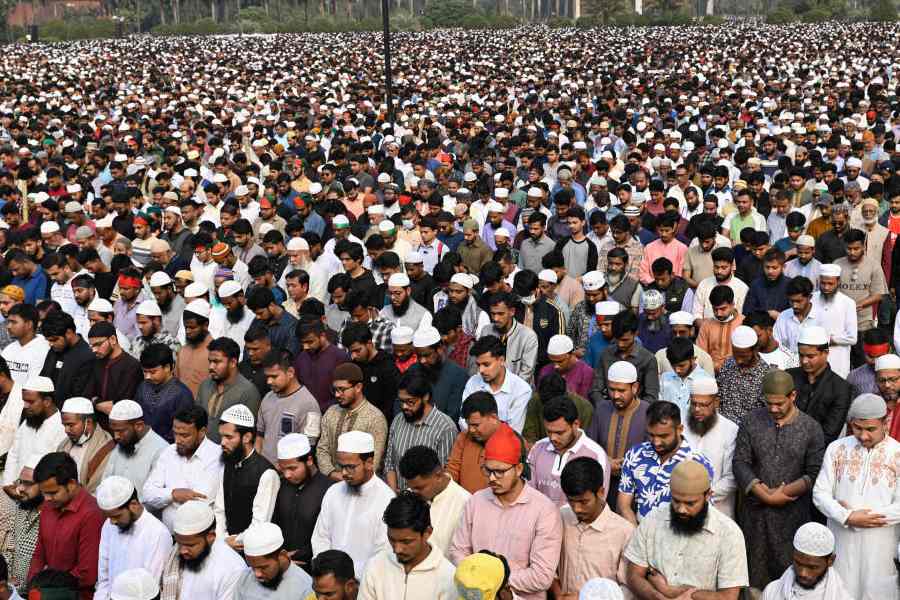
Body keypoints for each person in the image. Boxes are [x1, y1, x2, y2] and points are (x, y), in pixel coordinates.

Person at [733, 369, 825, 591]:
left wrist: (784, 494)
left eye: (779, 404)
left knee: (789, 577)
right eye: (769, 403)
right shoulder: (751, 421)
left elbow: (814, 473)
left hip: (792, 515)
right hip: (755, 515)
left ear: (792, 396)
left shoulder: (811, 427)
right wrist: (763, 493)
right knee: (753, 576)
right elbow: (740, 462)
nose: (773, 409)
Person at [449, 423, 563, 600]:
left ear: (518, 469)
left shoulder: (544, 511)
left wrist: (491, 581)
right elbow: (458, 551)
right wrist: (479, 582)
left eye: (500, 472)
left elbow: (542, 576)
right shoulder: (476, 502)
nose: (492, 478)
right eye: (488, 470)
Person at [813, 393, 900, 600]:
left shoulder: (897, 453)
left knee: (878, 592)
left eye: (870, 429)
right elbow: (819, 493)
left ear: (885, 422)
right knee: (839, 590)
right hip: (841, 541)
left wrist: (862, 518)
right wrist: (846, 516)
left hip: (881, 545)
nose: (863, 436)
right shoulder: (837, 449)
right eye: (857, 428)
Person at [624, 460, 749, 600]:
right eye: (676, 501)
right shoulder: (652, 521)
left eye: (690, 503)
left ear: (708, 495)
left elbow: (728, 597)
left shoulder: (729, 534)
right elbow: (634, 575)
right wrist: (657, 596)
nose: (681, 509)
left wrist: (670, 591)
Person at [311, 431, 395, 577]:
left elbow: (383, 552)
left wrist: (351, 580)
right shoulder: (333, 492)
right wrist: (327, 572)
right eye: (341, 466)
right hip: (329, 582)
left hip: (364, 585)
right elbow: (321, 537)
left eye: (350, 467)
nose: (343, 473)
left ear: (369, 462)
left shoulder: (386, 499)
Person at [616, 401, 713, 525]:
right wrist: (638, 535)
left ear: (680, 429)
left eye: (663, 436)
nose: (656, 442)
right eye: (651, 435)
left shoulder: (698, 463)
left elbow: (704, 512)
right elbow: (624, 505)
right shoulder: (635, 454)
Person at [553, 457, 634, 600]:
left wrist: (584, 597)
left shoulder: (624, 532)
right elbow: (548, 566)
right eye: (571, 501)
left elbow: (628, 589)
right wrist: (558, 593)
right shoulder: (560, 517)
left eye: (584, 502)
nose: (577, 509)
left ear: (601, 492)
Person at [28, 452, 105, 600]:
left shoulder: (91, 514)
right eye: (44, 493)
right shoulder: (48, 506)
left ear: (71, 484)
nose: (47, 499)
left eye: (53, 493)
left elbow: (86, 573)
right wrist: (34, 583)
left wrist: (49, 590)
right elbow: (39, 552)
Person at [358, 491, 457, 599]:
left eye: (406, 542)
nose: (397, 549)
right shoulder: (375, 566)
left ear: (427, 533)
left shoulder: (448, 577)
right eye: (392, 539)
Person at [142, 406, 224, 532]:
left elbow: (200, 503)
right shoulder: (169, 452)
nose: (178, 440)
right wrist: (173, 494)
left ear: (202, 432)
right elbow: (147, 494)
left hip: (198, 538)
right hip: (168, 535)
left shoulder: (216, 456)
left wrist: (163, 496)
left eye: (184, 435)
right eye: (175, 433)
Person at [94, 476, 173, 600]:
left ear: (133, 505)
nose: (112, 522)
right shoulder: (109, 525)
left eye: (117, 516)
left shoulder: (157, 533)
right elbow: (104, 580)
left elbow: (150, 587)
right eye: (109, 517)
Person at [214, 404, 279, 550]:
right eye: (221, 436)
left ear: (247, 437)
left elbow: (260, 523)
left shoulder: (266, 473)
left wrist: (236, 540)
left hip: (252, 550)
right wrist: (221, 539)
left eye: (228, 437)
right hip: (225, 546)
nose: (222, 442)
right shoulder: (229, 461)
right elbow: (219, 509)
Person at [586, 362, 650, 508]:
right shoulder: (601, 409)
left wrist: (626, 465)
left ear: (635, 388)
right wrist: (606, 462)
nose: (615, 395)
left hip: (636, 490)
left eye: (621, 390)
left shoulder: (648, 412)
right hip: (603, 485)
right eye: (611, 389)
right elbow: (589, 446)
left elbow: (652, 453)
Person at [527, 395, 610, 507]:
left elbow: (598, 503)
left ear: (575, 424)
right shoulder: (537, 449)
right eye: (549, 432)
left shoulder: (595, 455)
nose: (553, 438)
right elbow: (528, 493)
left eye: (559, 433)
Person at [384, 371, 457, 492]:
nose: (404, 407)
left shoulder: (445, 427)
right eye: (401, 401)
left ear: (425, 397)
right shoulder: (398, 420)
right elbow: (389, 463)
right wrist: (393, 492)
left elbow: (442, 473)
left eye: (410, 402)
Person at [272, 434, 335, 572]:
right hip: (280, 565)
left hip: (314, 568)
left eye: (293, 468)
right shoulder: (281, 485)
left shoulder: (330, 490)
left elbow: (330, 536)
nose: (287, 475)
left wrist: (300, 556)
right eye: (283, 469)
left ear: (309, 460)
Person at [159, 500, 245, 600]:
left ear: (210, 537)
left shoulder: (232, 568)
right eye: (179, 543)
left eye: (190, 545)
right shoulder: (179, 553)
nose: (182, 551)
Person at [316, 363, 388, 480]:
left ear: (358, 387)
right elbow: (322, 449)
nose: (337, 394)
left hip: (362, 487)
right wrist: (333, 473)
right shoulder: (331, 412)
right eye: (335, 389)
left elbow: (374, 463)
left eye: (342, 389)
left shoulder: (375, 418)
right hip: (330, 482)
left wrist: (348, 478)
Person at [398, 445, 470, 557]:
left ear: (438, 474)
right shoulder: (407, 497)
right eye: (411, 488)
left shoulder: (466, 504)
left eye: (420, 488)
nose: (413, 492)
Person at [681, 378, 738, 519]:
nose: (697, 410)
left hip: (718, 511)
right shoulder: (681, 426)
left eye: (704, 405)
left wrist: (699, 496)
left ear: (716, 403)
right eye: (694, 404)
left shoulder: (730, 430)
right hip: (681, 507)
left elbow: (732, 478)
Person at [787, 325, 852, 445]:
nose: (804, 361)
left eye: (810, 356)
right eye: (801, 355)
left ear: (825, 353)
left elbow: (830, 433)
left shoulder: (841, 388)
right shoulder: (789, 376)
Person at [2, 376, 66, 493]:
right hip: (15, 489)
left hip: (41, 496)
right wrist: (8, 484)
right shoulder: (29, 421)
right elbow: (14, 454)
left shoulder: (62, 427)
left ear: (47, 401)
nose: (25, 406)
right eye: (24, 401)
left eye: (30, 402)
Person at [256, 350, 321, 464]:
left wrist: (285, 470)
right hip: (263, 471)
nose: (269, 381)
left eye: (274, 376)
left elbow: (308, 448)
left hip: (287, 475)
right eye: (267, 376)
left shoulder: (308, 404)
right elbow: (260, 436)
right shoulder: (268, 397)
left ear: (290, 372)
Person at [760, 522, 854, 600]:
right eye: (798, 563)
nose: (803, 573)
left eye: (812, 567)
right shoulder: (772, 592)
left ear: (830, 561)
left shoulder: (841, 597)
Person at [197, 337, 261, 444]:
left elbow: (246, 436)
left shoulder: (248, 392)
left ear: (233, 362)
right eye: (210, 361)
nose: (211, 367)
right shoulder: (205, 385)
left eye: (216, 362)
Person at [590, 310, 659, 405]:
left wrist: (636, 412)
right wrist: (605, 408)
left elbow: (651, 397)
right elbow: (595, 390)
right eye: (617, 339)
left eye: (625, 340)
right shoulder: (606, 354)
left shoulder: (648, 359)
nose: (620, 344)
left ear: (636, 334)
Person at [101, 400, 168, 497]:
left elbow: (154, 497)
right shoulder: (124, 443)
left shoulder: (161, 450)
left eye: (120, 431)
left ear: (139, 426)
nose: (116, 437)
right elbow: (106, 481)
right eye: (113, 431)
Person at [235, 522, 314, 599]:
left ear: (282, 556)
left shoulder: (305, 589)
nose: (257, 574)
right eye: (252, 567)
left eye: (263, 567)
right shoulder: (245, 578)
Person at [134, 343, 194, 443]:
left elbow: (183, 432)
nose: (147, 377)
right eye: (145, 372)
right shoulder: (143, 387)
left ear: (168, 367)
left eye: (153, 372)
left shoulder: (182, 395)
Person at [84, 321, 143, 422]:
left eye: (98, 344)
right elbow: (87, 396)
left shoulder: (131, 366)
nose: (94, 350)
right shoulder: (95, 362)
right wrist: (98, 403)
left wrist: (95, 402)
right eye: (92, 346)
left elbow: (119, 406)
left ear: (112, 339)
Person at [341, 322, 400, 422]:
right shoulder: (353, 365)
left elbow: (391, 405)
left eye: (357, 350)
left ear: (369, 343)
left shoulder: (388, 366)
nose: (353, 356)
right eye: (351, 352)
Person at [716, 325, 773, 425]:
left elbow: (768, 413)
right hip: (722, 427)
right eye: (735, 355)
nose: (738, 360)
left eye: (743, 356)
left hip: (749, 430)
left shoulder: (766, 375)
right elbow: (718, 395)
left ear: (755, 350)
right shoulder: (728, 363)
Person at [2, 452, 44, 590]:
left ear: (44, 485)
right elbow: (9, 548)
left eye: (28, 484)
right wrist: (6, 579)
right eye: (20, 482)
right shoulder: (22, 508)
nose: (20, 489)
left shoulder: (51, 518)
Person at [56, 397, 114, 494]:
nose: (66, 430)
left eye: (71, 425)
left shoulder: (106, 448)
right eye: (64, 425)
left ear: (89, 423)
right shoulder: (64, 445)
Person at [410, 327, 467, 424]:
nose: (422, 360)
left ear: (440, 348)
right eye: (419, 356)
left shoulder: (458, 375)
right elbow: (400, 402)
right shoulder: (413, 370)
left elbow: (452, 415)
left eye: (427, 355)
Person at [447, 391, 501, 493]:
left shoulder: (513, 441)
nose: (471, 430)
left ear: (493, 418)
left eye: (476, 425)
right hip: (464, 505)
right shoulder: (463, 437)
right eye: (468, 424)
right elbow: (452, 471)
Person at [480, 292, 540, 383]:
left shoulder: (528, 336)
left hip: (518, 391)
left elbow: (526, 374)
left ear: (512, 311)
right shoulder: (486, 331)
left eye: (500, 314)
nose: (496, 318)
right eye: (493, 314)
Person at [39, 311, 94, 407]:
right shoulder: (54, 349)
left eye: (54, 339)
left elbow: (79, 395)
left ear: (69, 333)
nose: (50, 344)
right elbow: (43, 378)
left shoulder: (86, 356)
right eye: (48, 340)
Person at [294, 320, 351, 413]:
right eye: (302, 343)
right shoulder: (301, 357)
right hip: (305, 415)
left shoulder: (340, 357)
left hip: (333, 415)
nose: (305, 347)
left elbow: (346, 394)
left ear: (322, 336)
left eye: (310, 342)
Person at [811, 264, 857, 377]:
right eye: (823, 283)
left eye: (830, 284)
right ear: (819, 281)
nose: (826, 287)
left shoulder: (848, 303)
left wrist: (829, 340)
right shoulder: (811, 299)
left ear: (838, 282)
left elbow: (852, 338)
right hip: (813, 358)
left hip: (838, 359)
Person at [658, 337, 712, 419]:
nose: (677, 370)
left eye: (681, 365)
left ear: (693, 360)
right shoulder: (664, 378)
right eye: (673, 365)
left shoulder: (705, 381)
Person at [1, 303, 50, 385]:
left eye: (14, 322)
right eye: (8, 322)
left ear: (29, 324)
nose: (8, 326)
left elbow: (35, 385)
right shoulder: (8, 349)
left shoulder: (44, 349)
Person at [175, 299, 214, 398]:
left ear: (205, 325)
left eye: (192, 327)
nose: (188, 331)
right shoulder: (183, 350)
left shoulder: (215, 352)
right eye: (186, 327)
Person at [538, 335, 593, 400]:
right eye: (552, 361)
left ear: (572, 355)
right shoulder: (545, 371)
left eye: (560, 361)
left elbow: (584, 403)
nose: (556, 366)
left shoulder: (586, 372)